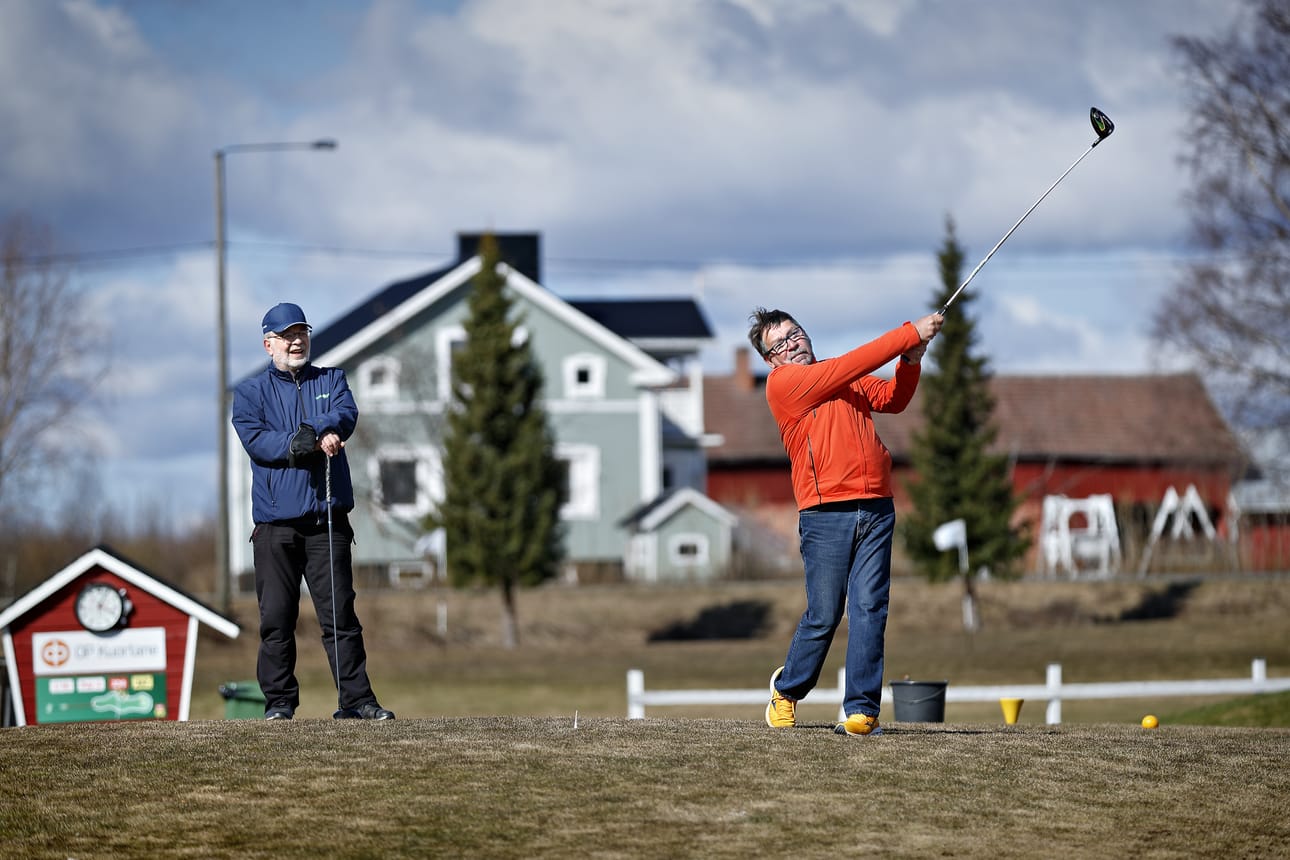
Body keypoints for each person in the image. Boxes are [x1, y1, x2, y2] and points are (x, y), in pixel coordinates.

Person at [749, 307, 942, 736]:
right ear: (770, 361)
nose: (790, 346)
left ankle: (861, 710)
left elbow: (894, 399)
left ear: (805, 333)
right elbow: (857, 361)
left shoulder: (843, 377)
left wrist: (910, 360)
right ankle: (786, 691)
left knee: (870, 608)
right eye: (778, 345)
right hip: (824, 514)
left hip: (876, 506)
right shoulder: (785, 385)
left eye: (793, 335)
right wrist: (909, 332)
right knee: (824, 614)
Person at [232, 302, 395, 721]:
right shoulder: (250, 393)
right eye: (286, 335)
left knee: (341, 617)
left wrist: (322, 429)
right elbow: (257, 441)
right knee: (276, 622)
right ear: (269, 344)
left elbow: (345, 413)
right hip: (275, 528)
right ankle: (280, 704)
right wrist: (294, 445)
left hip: (327, 523)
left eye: (301, 332)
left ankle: (356, 702)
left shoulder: (332, 379)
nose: (296, 341)